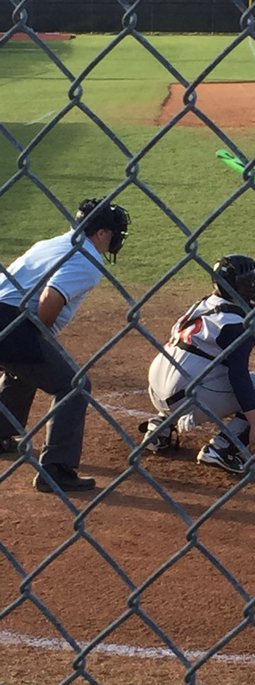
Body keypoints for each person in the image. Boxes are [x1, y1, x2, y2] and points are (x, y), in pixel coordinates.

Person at [0, 197, 131, 493]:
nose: (116, 239)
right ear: (101, 233)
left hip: (3, 314)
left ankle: (1, 433)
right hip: (11, 322)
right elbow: (50, 298)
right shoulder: (88, 258)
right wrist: (39, 336)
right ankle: (56, 469)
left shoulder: (52, 243)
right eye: (114, 233)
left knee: (25, 368)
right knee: (75, 385)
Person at [141, 253, 255, 475]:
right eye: (249, 283)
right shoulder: (237, 325)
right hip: (187, 397)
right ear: (237, 286)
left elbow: (247, 306)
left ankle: (160, 429)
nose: (253, 287)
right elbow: (238, 377)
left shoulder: (205, 303)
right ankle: (222, 448)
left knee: (203, 365)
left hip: (156, 389)